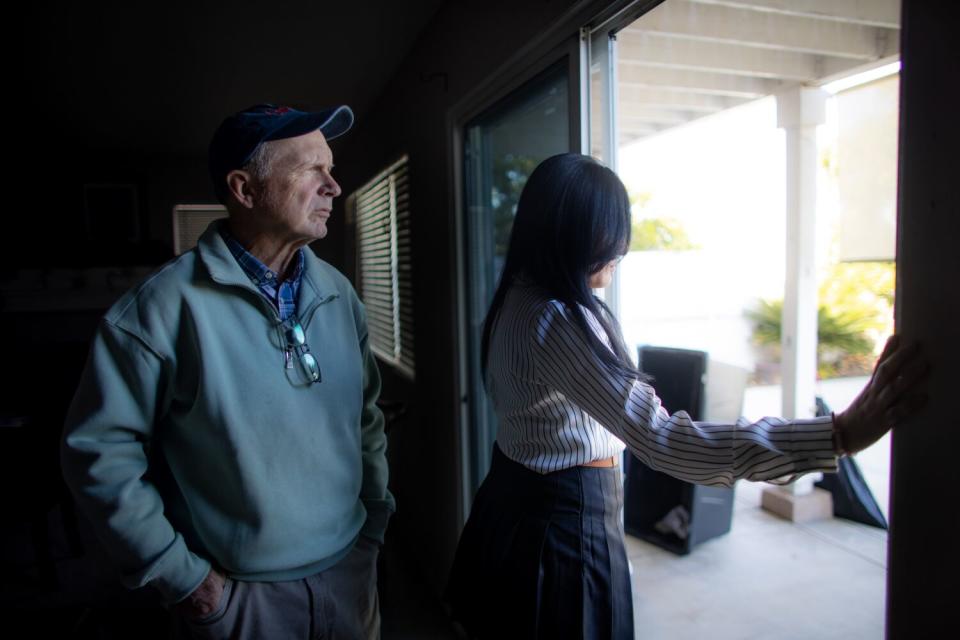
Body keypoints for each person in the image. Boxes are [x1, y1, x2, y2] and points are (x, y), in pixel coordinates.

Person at [445, 153, 927, 639]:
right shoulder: (559, 319)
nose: (620, 250)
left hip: (512, 506)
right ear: (570, 235)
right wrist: (837, 434)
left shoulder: (516, 296)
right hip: (562, 530)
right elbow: (666, 441)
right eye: (608, 235)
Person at [60, 103, 394, 639]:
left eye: (331, 169)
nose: (333, 186)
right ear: (245, 189)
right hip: (239, 598)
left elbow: (365, 419)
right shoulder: (159, 310)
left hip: (351, 572)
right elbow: (98, 454)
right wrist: (186, 579)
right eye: (312, 170)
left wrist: (374, 522)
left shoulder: (339, 293)